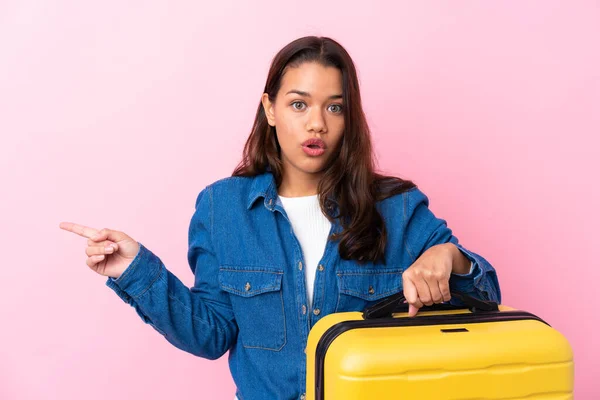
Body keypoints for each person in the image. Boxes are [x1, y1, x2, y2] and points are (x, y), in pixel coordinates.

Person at [59, 36, 501, 400]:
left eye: (334, 107)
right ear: (270, 109)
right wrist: (135, 270)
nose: (317, 125)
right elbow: (210, 335)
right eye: (298, 104)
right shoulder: (222, 208)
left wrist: (449, 257)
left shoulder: (398, 206)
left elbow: (487, 296)